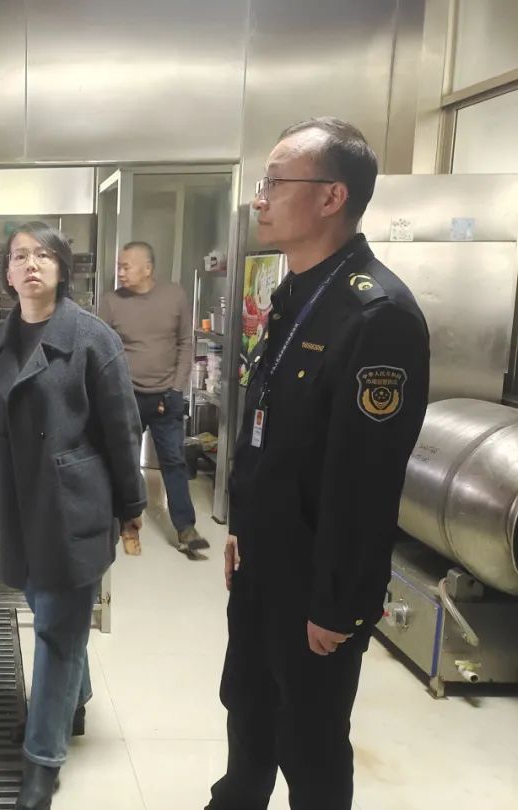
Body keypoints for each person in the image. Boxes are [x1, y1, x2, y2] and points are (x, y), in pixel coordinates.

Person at [208, 118, 429, 810]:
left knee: (309, 742)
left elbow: (365, 482)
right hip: (262, 561)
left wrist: (338, 602)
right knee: (247, 709)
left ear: (333, 197)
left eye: (275, 182)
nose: (260, 197)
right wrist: (242, 527)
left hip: (314, 585)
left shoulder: (377, 315)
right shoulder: (295, 295)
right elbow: (267, 433)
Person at [0, 221, 145, 810]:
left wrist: (132, 506)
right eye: (19, 256)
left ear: (63, 268)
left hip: (74, 504)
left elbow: (122, 430)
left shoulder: (92, 338)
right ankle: (73, 703)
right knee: (53, 613)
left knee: (55, 630)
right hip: (21, 505)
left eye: (43, 255)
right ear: (7, 272)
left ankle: (42, 762)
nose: (30, 264)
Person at [100, 241, 207, 557]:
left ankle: (185, 527)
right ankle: (128, 523)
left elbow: (185, 344)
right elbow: (99, 348)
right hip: (126, 397)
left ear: (147, 268)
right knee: (125, 462)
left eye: (126, 266)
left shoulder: (175, 296)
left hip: (165, 396)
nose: (120, 272)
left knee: (174, 461)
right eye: (119, 266)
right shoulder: (111, 302)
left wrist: (177, 389)